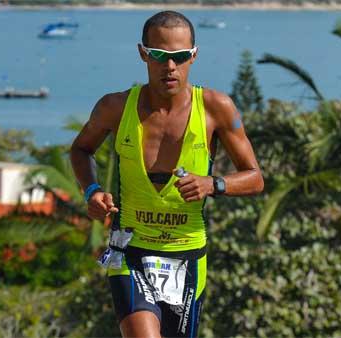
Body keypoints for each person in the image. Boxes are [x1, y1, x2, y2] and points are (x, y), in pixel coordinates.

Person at [70, 10, 264, 338]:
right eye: (159, 55)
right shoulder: (115, 107)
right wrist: (91, 191)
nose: (169, 66)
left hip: (187, 255)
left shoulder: (216, 108)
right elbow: (80, 149)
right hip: (130, 250)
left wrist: (212, 183)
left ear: (194, 55)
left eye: (180, 56)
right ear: (143, 53)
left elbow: (255, 177)